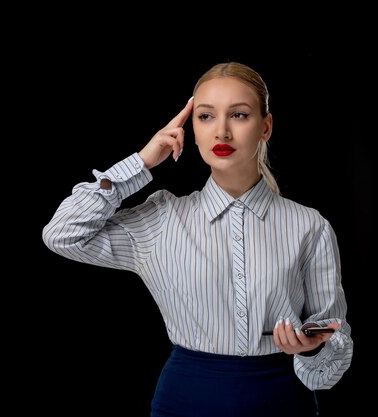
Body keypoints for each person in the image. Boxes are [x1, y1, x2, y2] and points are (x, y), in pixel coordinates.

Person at [41, 62, 353, 417]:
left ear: (265, 127)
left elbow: (333, 350)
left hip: (284, 404)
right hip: (183, 403)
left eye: (239, 115)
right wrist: (140, 164)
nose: (221, 132)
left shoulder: (308, 226)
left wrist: (311, 349)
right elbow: (63, 234)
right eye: (205, 117)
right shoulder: (161, 219)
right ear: (191, 127)